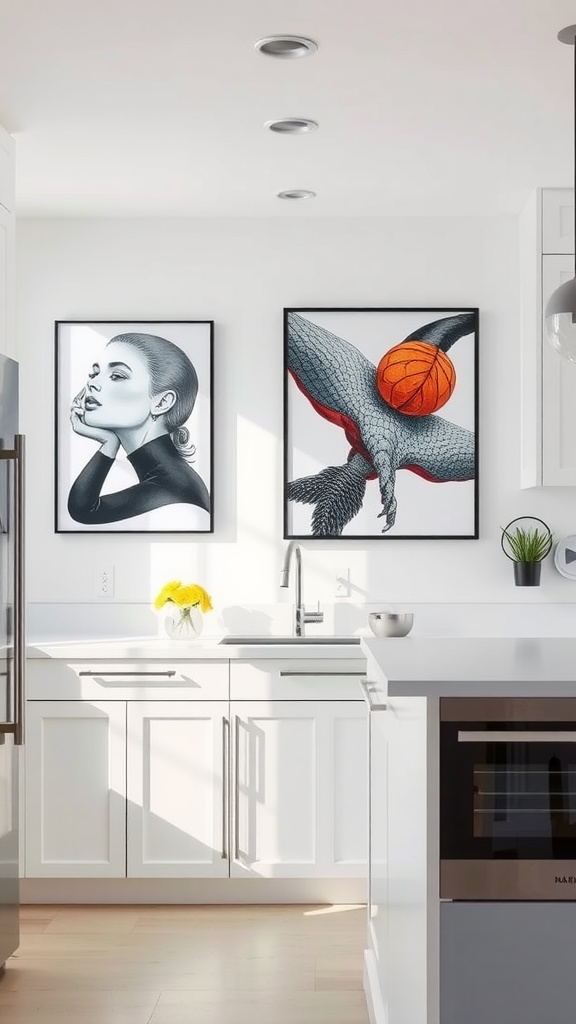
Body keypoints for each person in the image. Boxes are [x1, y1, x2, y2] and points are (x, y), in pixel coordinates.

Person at [67, 332, 210, 525]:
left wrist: (109, 443)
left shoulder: (175, 488)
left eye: (117, 376)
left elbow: (84, 510)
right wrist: (110, 443)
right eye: (94, 373)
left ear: (162, 402)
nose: (92, 383)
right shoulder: (173, 477)